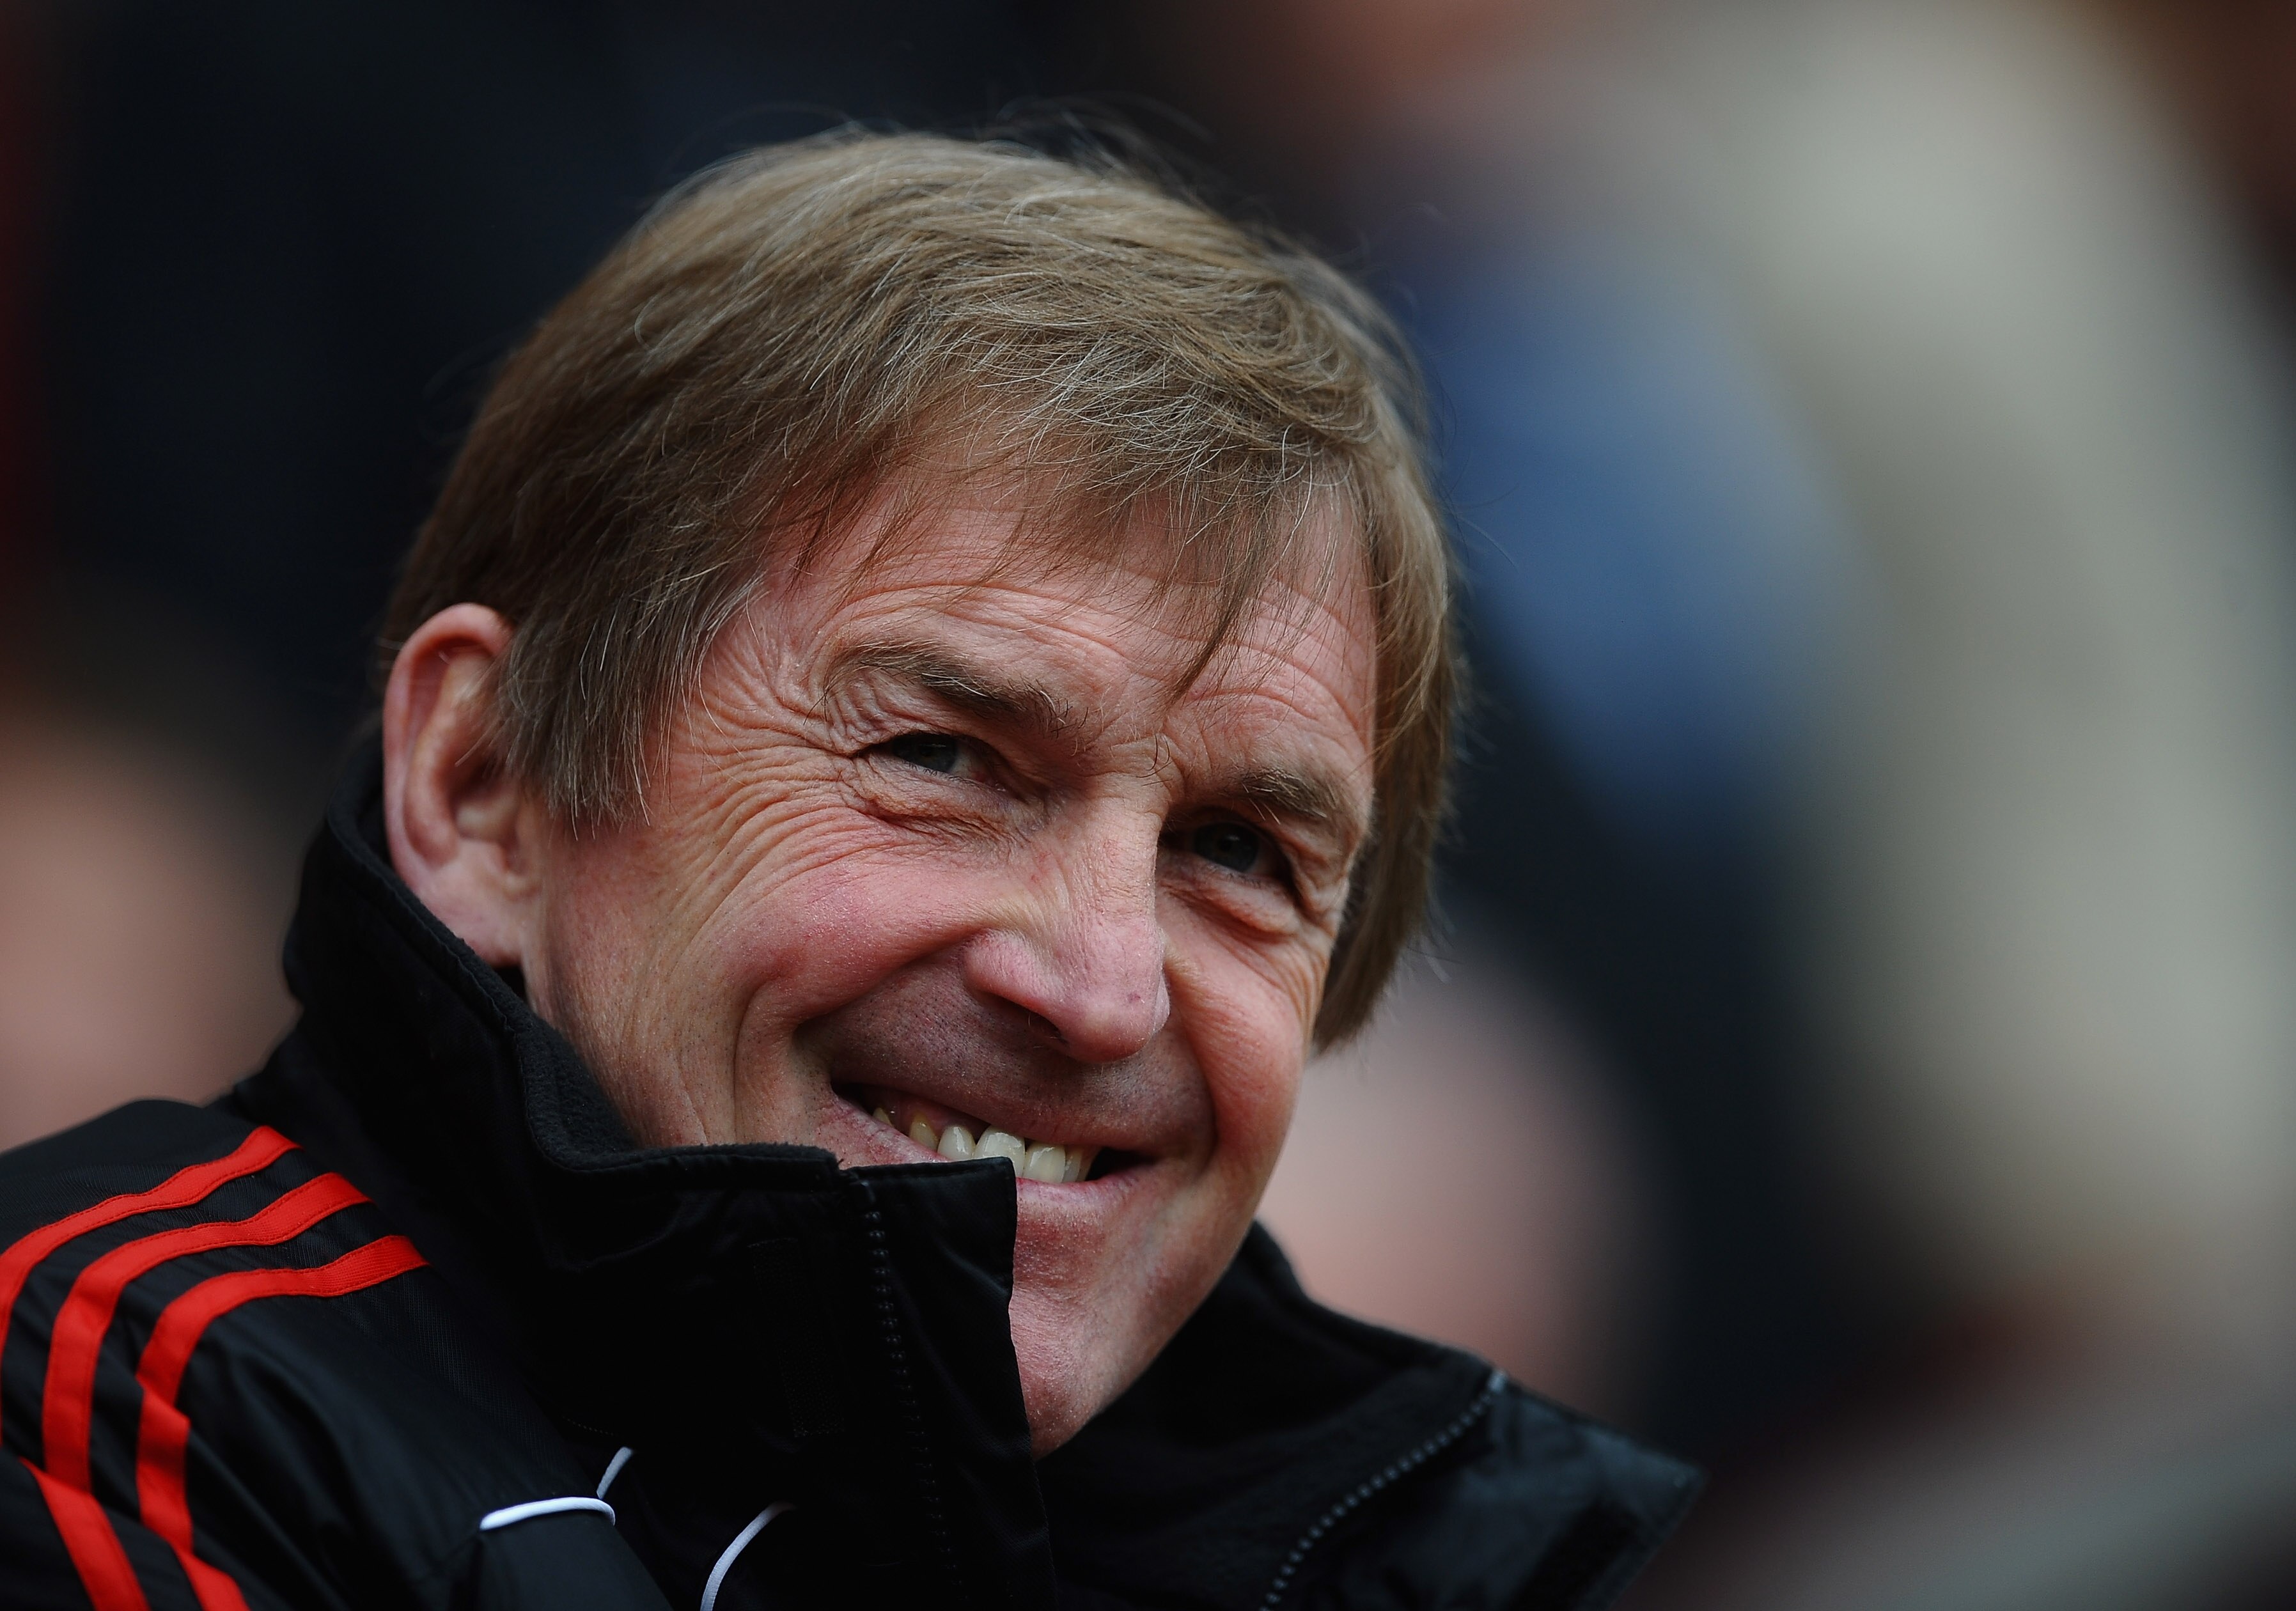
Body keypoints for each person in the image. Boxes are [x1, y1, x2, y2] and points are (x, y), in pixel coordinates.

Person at [0, 132, 1694, 1609]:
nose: (1105, 989)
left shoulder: (1362, 1551)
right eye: (943, 758)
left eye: (1236, 851)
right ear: (484, 787)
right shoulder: (102, 1400)